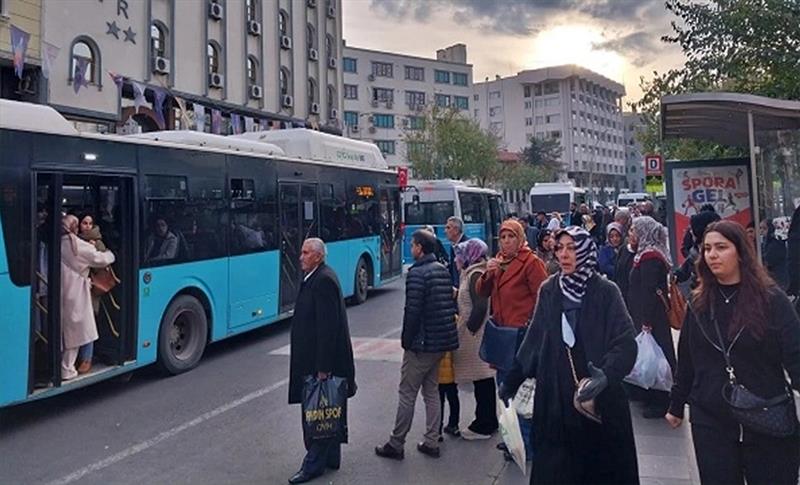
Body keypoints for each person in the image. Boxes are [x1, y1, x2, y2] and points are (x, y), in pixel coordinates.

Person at [500, 226, 639, 485]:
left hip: (597, 404)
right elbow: (535, 339)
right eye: (559, 248)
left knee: (598, 472)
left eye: (572, 248)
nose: (564, 254)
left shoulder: (606, 291)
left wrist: (607, 375)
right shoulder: (550, 289)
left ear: (585, 252)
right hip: (556, 400)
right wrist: (512, 380)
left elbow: (626, 342)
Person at [666, 221, 800, 485]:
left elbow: (795, 355)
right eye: (707, 249)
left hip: (766, 415)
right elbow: (688, 359)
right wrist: (676, 405)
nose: (712, 255)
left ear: (740, 252)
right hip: (711, 419)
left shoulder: (772, 300)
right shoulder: (699, 302)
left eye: (721, 247)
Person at [376, 230, 458, 460]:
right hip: (440, 342)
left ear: (420, 248)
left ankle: (396, 442)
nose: (410, 249)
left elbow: (412, 312)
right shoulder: (441, 270)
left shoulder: (417, 274)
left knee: (407, 392)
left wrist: (406, 340)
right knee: (431, 391)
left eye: (412, 245)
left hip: (421, 344)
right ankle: (432, 440)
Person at [476, 219, 548, 461]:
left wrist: (533, 326)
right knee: (504, 391)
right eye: (503, 237)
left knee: (523, 393)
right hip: (501, 335)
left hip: (522, 337)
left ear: (520, 238)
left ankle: (527, 444)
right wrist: (489, 272)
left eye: (511, 237)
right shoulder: (498, 262)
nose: (506, 242)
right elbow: (482, 291)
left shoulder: (530, 262)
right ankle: (511, 440)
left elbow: (544, 297)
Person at [287, 238, 356, 484]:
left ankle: (313, 465)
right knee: (329, 410)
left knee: (319, 412)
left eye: (305, 253)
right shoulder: (316, 277)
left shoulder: (323, 280)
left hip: (323, 363)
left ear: (318, 256)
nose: (301, 257)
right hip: (317, 360)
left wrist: (323, 368)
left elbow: (328, 329)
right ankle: (331, 457)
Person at [627, 216, 675, 418]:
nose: (630, 234)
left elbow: (648, 291)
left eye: (633, 230)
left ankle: (661, 400)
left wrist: (646, 322)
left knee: (656, 357)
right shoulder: (644, 254)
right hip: (646, 315)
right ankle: (646, 393)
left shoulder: (651, 258)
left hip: (652, 318)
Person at [451, 238, 498, 440]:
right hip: (475, 333)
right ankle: (488, 421)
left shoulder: (476, 274)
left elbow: (479, 306)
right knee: (482, 380)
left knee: (482, 379)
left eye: (460, 255)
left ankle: (484, 424)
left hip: (475, 335)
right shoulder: (473, 272)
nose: (457, 259)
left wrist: (470, 328)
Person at [60, 215, 116, 380]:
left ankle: (65, 365)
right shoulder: (76, 245)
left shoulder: (58, 242)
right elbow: (100, 259)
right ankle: (67, 368)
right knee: (78, 331)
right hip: (77, 292)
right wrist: (111, 253)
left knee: (65, 330)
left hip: (61, 290)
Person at [76, 212, 109, 374]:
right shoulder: (73, 241)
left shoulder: (96, 242)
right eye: (84, 223)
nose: (87, 227)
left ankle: (86, 358)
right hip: (75, 288)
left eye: (90, 223)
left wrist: (91, 250)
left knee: (88, 324)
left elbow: (101, 264)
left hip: (91, 289)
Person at [675, 211, 721, 289]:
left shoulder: (720, 253)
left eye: (691, 228)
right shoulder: (695, 251)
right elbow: (684, 270)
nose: (690, 231)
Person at [760, 218, 789, 290]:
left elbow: (768, 260)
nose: (761, 231)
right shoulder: (765, 242)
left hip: (779, 278)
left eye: (764, 228)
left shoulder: (776, 243)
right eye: (760, 228)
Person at [437, 351, 460, 439]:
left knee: (438, 402)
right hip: (452, 375)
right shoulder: (451, 340)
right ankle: (453, 425)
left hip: (437, 375)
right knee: (454, 400)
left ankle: (437, 429)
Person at [614, 226, 637, 308]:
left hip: (638, 303)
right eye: (631, 231)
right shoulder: (623, 249)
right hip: (622, 297)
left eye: (637, 232)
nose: (633, 235)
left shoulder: (647, 255)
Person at [444, 216, 467, 288]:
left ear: (456, 230)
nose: (445, 231)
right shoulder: (453, 245)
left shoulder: (466, 246)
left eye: (448, 228)